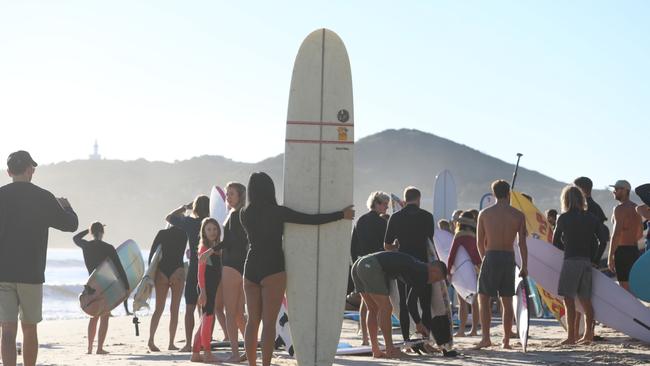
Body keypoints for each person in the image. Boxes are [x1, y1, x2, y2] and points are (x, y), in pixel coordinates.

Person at [239, 172, 354, 366]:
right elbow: (310, 220)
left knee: (252, 322)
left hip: (250, 269)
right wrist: (341, 215)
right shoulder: (278, 212)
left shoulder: (245, 213)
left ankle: (252, 364)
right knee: (268, 324)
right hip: (272, 268)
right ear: (270, 189)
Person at [0, 151, 79, 366]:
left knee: (7, 329)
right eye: (32, 168)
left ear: (8, 172)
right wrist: (67, 207)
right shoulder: (44, 197)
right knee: (29, 327)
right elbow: (71, 225)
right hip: (31, 272)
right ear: (29, 170)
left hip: (3, 272)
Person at [351, 251, 447, 358]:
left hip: (359, 264)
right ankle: (390, 349)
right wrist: (418, 323)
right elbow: (411, 302)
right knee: (386, 308)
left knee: (372, 309)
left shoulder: (417, 267)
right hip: (370, 266)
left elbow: (409, 302)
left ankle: (376, 350)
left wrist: (418, 323)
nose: (434, 282)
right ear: (434, 271)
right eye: (437, 279)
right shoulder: (423, 273)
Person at [474, 180, 527, 350]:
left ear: (494, 194)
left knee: (484, 298)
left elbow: (479, 242)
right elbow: (522, 244)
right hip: (508, 257)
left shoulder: (485, 213)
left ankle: (486, 338)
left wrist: (484, 259)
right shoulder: (518, 215)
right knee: (507, 300)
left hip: (491, 256)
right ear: (508, 193)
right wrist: (524, 265)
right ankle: (506, 340)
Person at [199, 182, 248, 361]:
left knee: (230, 313)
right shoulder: (245, 215)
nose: (227, 197)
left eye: (231, 194)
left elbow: (230, 242)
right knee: (239, 314)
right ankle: (248, 349)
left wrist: (211, 250)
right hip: (243, 267)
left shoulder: (235, 215)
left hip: (230, 267)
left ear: (240, 195)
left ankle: (235, 353)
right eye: (227, 194)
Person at [553, 186, 607, 345]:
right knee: (586, 301)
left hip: (571, 261)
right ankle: (589, 335)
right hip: (586, 262)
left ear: (565, 200)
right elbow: (602, 241)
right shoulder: (591, 218)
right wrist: (595, 259)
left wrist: (567, 248)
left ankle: (571, 337)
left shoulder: (563, 218)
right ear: (582, 199)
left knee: (568, 300)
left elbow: (555, 241)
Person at [384, 187, 434, 346]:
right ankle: (426, 338)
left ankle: (406, 339)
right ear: (419, 199)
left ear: (405, 200)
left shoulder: (395, 217)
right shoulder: (427, 217)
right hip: (422, 264)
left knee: (404, 303)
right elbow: (430, 243)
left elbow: (386, 245)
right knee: (425, 303)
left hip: (403, 264)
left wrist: (397, 247)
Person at [73, 223, 130, 355]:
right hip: (106, 285)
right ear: (103, 232)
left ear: (92, 232)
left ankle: (89, 348)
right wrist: (126, 287)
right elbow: (119, 268)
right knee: (104, 316)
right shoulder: (109, 248)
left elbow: (75, 238)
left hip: (92, 285)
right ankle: (99, 348)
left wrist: (87, 231)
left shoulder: (86, 245)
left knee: (93, 316)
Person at [165, 195, 210, 352]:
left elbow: (169, 217)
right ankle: (205, 342)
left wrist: (185, 207)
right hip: (211, 269)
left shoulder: (190, 223)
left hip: (194, 269)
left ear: (196, 208)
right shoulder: (213, 224)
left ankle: (189, 344)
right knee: (207, 309)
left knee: (190, 307)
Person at [350, 191, 390, 346]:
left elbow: (353, 246)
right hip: (375, 266)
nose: (386, 208)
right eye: (385, 205)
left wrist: (355, 264)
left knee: (365, 303)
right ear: (377, 204)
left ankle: (365, 338)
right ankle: (375, 336)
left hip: (359, 264)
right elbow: (385, 246)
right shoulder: (382, 223)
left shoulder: (360, 220)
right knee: (380, 306)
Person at [147, 226, 187, 351]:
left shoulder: (162, 233)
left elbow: (152, 254)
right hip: (178, 271)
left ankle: (151, 340)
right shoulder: (184, 232)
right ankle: (171, 343)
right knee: (174, 309)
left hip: (162, 272)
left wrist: (151, 274)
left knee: (158, 309)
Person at [191, 218, 223, 363]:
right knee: (207, 319)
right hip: (205, 288)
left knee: (204, 319)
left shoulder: (215, 248)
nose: (212, 232)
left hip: (210, 288)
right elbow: (200, 272)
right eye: (209, 229)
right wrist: (203, 291)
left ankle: (195, 353)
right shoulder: (205, 249)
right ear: (204, 231)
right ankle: (208, 353)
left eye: (215, 229)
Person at [447, 212, 481, 337]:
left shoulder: (459, 236)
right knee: (474, 301)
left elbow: (452, 254)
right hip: (474, 269)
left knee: (462, 302)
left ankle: (461, 330)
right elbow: (477, 256)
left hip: (461, 270)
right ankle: (474, 330)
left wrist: (448, 271)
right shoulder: (474, 236)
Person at [608, 180, 644, 291]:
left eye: (616, 189)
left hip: (622, 251)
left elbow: (616, 234)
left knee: (624, 289)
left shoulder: (619, 209)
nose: (614, 191)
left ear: (625, 190)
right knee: (633, 286)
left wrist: (610, 256)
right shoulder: (636, 208)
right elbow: (640, 233)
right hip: (634, 249)